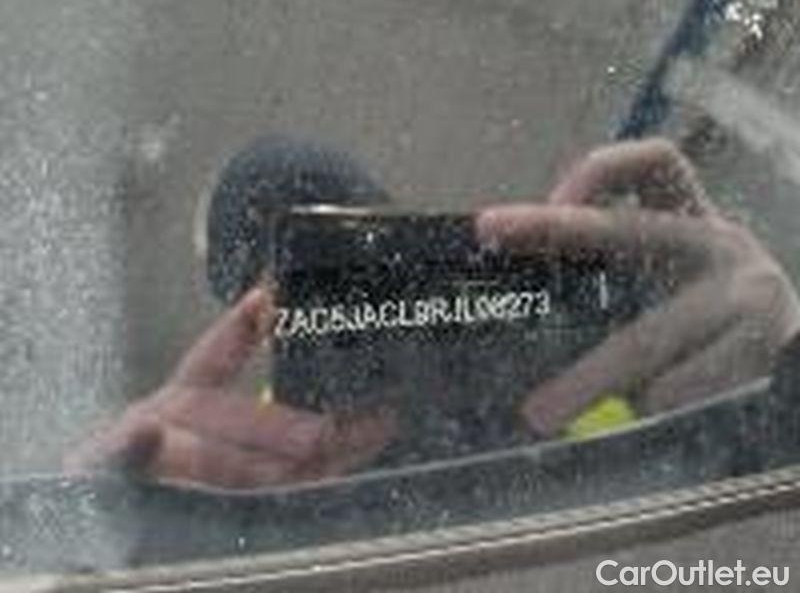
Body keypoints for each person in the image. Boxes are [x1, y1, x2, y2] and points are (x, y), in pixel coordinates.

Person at [64, 138, 800, 490]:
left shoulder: (582, 342)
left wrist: (775, 399)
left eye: (353, 268)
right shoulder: (244, 466)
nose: (345, 320)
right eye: (295, 301)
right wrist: (136, 529)